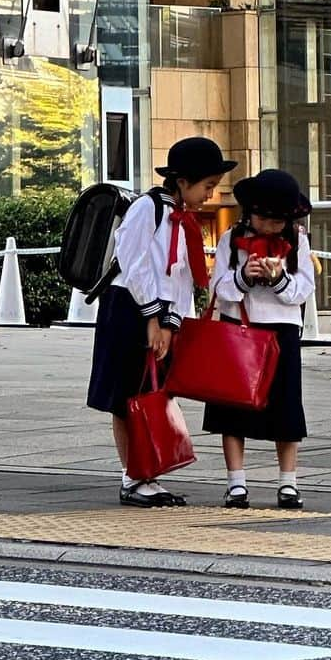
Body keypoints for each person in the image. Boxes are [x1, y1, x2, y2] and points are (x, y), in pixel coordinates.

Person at [87, 136, 237, 507]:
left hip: (158, 314)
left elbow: (180, 279)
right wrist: (153, 318)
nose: (210, 195)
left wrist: (171, 324)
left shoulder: (183, 220)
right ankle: (134, 477)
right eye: (207, 186)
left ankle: (145, 474)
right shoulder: (148, 209)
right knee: (126, 397)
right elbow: (134, 264)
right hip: (128, 309)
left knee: (151, 392)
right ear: (183, 181)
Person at [203, 169, 315, 510]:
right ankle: (236, 483)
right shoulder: (230, 240)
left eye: (279, 220)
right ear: (250, 213)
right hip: (238, 329)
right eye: (265, 218)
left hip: (281, 332)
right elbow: (218, 290)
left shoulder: (297, 241)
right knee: (232, 407)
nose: (271, 226)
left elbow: (304, 290)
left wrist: (280, 279)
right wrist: (243, 277)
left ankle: (288, 483)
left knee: (286, 409)